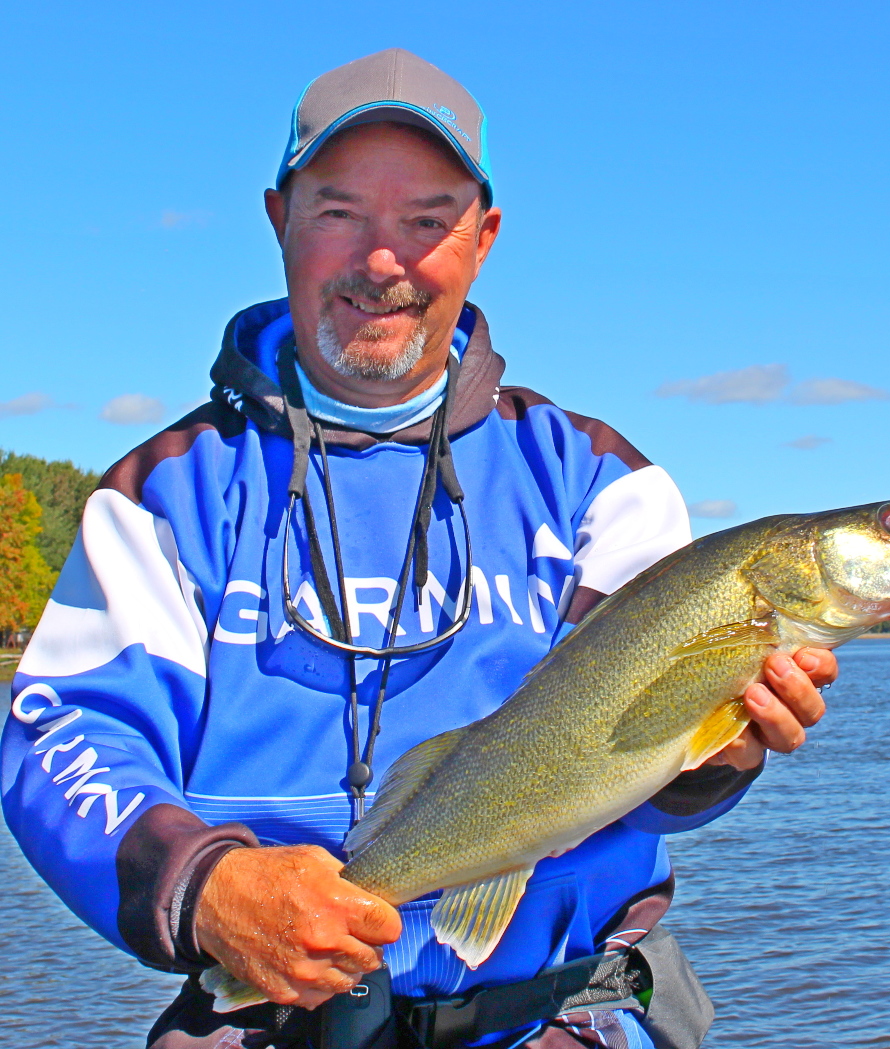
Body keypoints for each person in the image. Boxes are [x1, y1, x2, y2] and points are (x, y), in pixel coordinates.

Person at [1, 49, 835, 1049]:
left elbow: (640, 773)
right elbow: (65, 734)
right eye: (341, 210)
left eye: (427, 218)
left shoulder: (602, 483)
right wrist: (209, 883)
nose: (381, 258)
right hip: (273, 1019)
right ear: (281, 222)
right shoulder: (164, 494)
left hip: (560, 1020)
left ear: (482, 239)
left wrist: (717, 751)